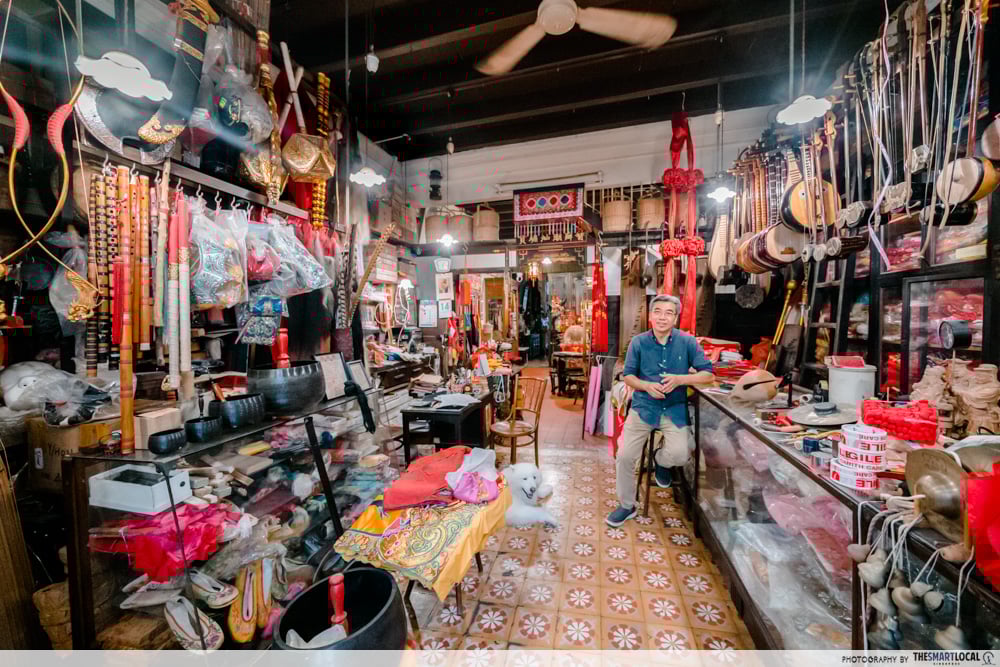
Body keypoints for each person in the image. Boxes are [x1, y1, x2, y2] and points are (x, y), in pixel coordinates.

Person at [606, 294, 714, 527]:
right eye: (658, 312)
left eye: (669, 313)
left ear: (675, 318)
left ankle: (661, 461)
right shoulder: (638, 342)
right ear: (650, 316)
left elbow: (708, 375)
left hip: (674, 408)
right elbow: (628, 376)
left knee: (680, 454)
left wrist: (680, 379)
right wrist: (646, 386)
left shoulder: (687, 342)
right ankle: (626, 505)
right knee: (624, 456)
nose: (662, 317)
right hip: (644, 408)